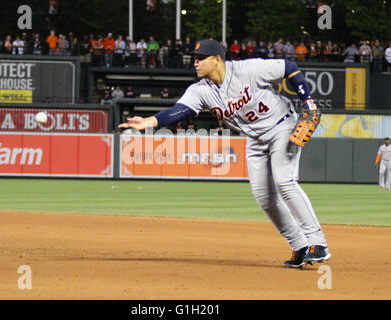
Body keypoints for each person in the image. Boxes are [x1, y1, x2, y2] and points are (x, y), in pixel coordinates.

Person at [119, 39, 331, 268]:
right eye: (195, 59)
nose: (196, 63)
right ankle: (299, 245)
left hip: (282, 126)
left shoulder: (247, 69)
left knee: (284, 182)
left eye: (201, 59)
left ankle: (318, 243)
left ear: (217, 60)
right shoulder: (200, 91)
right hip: (254, 139)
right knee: (264, 198)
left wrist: (307, 102)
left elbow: (288, 68)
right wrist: (148, 121)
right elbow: (178, 111)